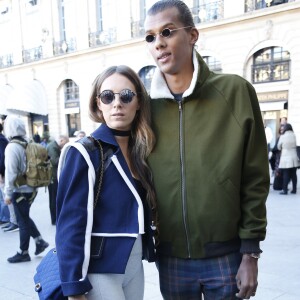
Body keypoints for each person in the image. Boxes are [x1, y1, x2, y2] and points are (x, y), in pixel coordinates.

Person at [144, 1, 269, 299]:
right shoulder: (146, 108)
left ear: (192, 35)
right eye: (150, 37)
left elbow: (255, 177)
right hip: (171, 257)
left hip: (225, 255)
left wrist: (250, 253)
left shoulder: (235, 92)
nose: (158, 43)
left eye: (167, 32)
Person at [55, 65, 157, 299]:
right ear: (98, 103)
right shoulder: (83, 152)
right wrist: (74, 286)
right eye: (108, 96)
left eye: (126, 96)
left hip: (134, 264)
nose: (117, 103)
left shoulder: (142, 151)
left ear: (138, 102)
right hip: (99, 269)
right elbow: (70, 224)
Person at [4, 115, 49, 263]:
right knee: (25, 217)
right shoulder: (27, 142)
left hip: (20, 190)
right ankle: (39, 241)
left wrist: (7, 193)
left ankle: (23, 252)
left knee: (21, 221)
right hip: (32, 187)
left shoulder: (12, 147)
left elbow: (10, 172)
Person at [46, 134, 69, 225]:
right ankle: (55, 219)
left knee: (54, 198)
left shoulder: (54, 146)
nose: (64, 146)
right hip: (52, 177)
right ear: (61, 140)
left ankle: (56, 218)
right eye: (65, 143)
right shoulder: (53, 147)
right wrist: (66, 156)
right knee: (53, 198)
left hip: (53, 176)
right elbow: (55, 161)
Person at [0, 122, 19, 232]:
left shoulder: (1, 140)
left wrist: (0, 173)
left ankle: (14, 221)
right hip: (3, 174)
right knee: (5, 197)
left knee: (7, 197)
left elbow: (2, 158)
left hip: (3, 174)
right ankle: (12, 220)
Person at [277, 123, 299, 195]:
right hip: (294, 157)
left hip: (285, 157)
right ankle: (294, 189)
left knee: (286, 174)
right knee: (293, 174)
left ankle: (285, 190)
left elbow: (279, 146)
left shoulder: (283, 136)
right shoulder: (294, 135)